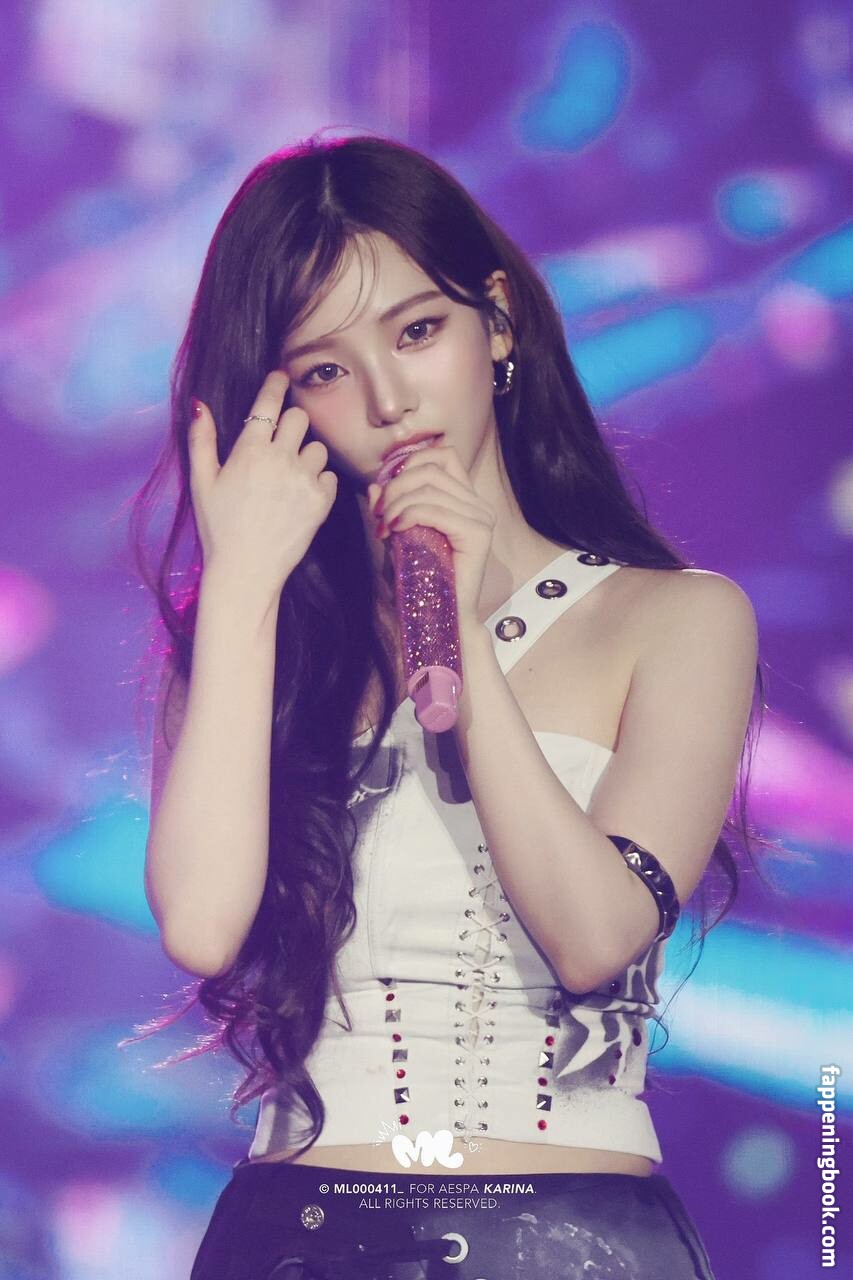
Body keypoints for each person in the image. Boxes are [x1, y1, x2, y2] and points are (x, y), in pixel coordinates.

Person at [133, 132, 765, 1279]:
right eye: (323, 370)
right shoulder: (261, 645)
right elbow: (202, 926)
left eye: (417, 330)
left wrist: (459, 628)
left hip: (564, 1237)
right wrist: (240, 591)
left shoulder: (676, 618)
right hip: (298, 1234)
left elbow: (593, 935)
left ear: (499, 321)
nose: (387, 399)